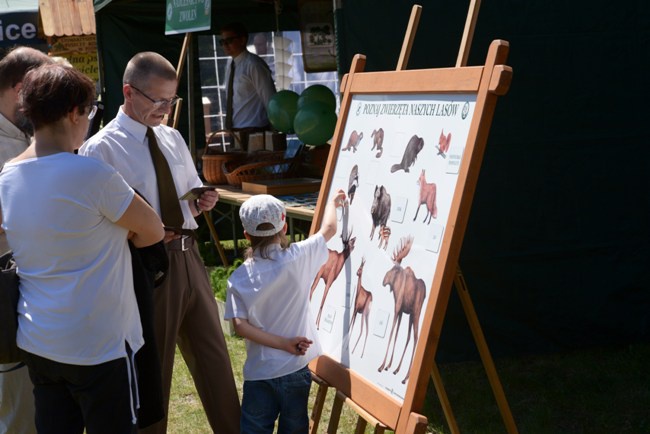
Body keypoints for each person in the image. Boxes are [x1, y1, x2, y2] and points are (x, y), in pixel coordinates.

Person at [79, 51, 241, 434]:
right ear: (128, 92)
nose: (166, 109)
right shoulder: (101, 149)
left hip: (191, 259)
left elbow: (186, 199)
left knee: (215, 360)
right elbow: (97, 223)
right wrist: (144, 235)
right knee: (154, 371)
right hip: (145, 266)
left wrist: (202, 202)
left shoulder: (172, 137)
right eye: (158, 100)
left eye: (172, 100)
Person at [0, 63, 165, 433]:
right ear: (75, 112)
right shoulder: (93, 174)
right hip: (100, 342)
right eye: (89, 111)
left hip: (39, 339)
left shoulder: (6, 177)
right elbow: (152, 230)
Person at [225, 190, 346, 433]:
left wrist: (282, 343)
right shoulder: (299, 256)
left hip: (259, 374)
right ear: (284, 228)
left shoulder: (238, 278)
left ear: (247, 235)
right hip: (294, 370)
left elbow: (239, 326)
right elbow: (330, 229)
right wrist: (333, 203)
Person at [0, 45, 53, 434]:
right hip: (5, 292)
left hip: (43, 288)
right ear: (21, 89)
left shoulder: (34, 135)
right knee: (16, 406)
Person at [220, 22, 276, 132]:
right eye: (222, 42)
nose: (225, 45)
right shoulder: (231, 65)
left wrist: (274, 131)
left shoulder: (254, 64)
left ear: (242, 40)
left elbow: (269, 99)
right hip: (235, 130)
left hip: (255, 129)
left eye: (229, 41)